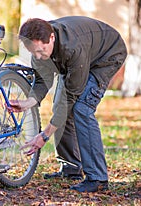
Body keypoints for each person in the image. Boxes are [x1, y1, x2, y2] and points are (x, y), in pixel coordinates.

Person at [9, 16, 127, 192]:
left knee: (81, 108)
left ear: (52, 38)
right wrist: (28, 102)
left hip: (106, 55)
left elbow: (71, 97)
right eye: (34, 53)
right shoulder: (38, 50)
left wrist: (44, 136)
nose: (38, 57)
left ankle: (97, 178)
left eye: (41, 51)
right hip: (80, 59)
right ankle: (71, 168)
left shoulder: (72, 47)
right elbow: (43, 80)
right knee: (60, 107)